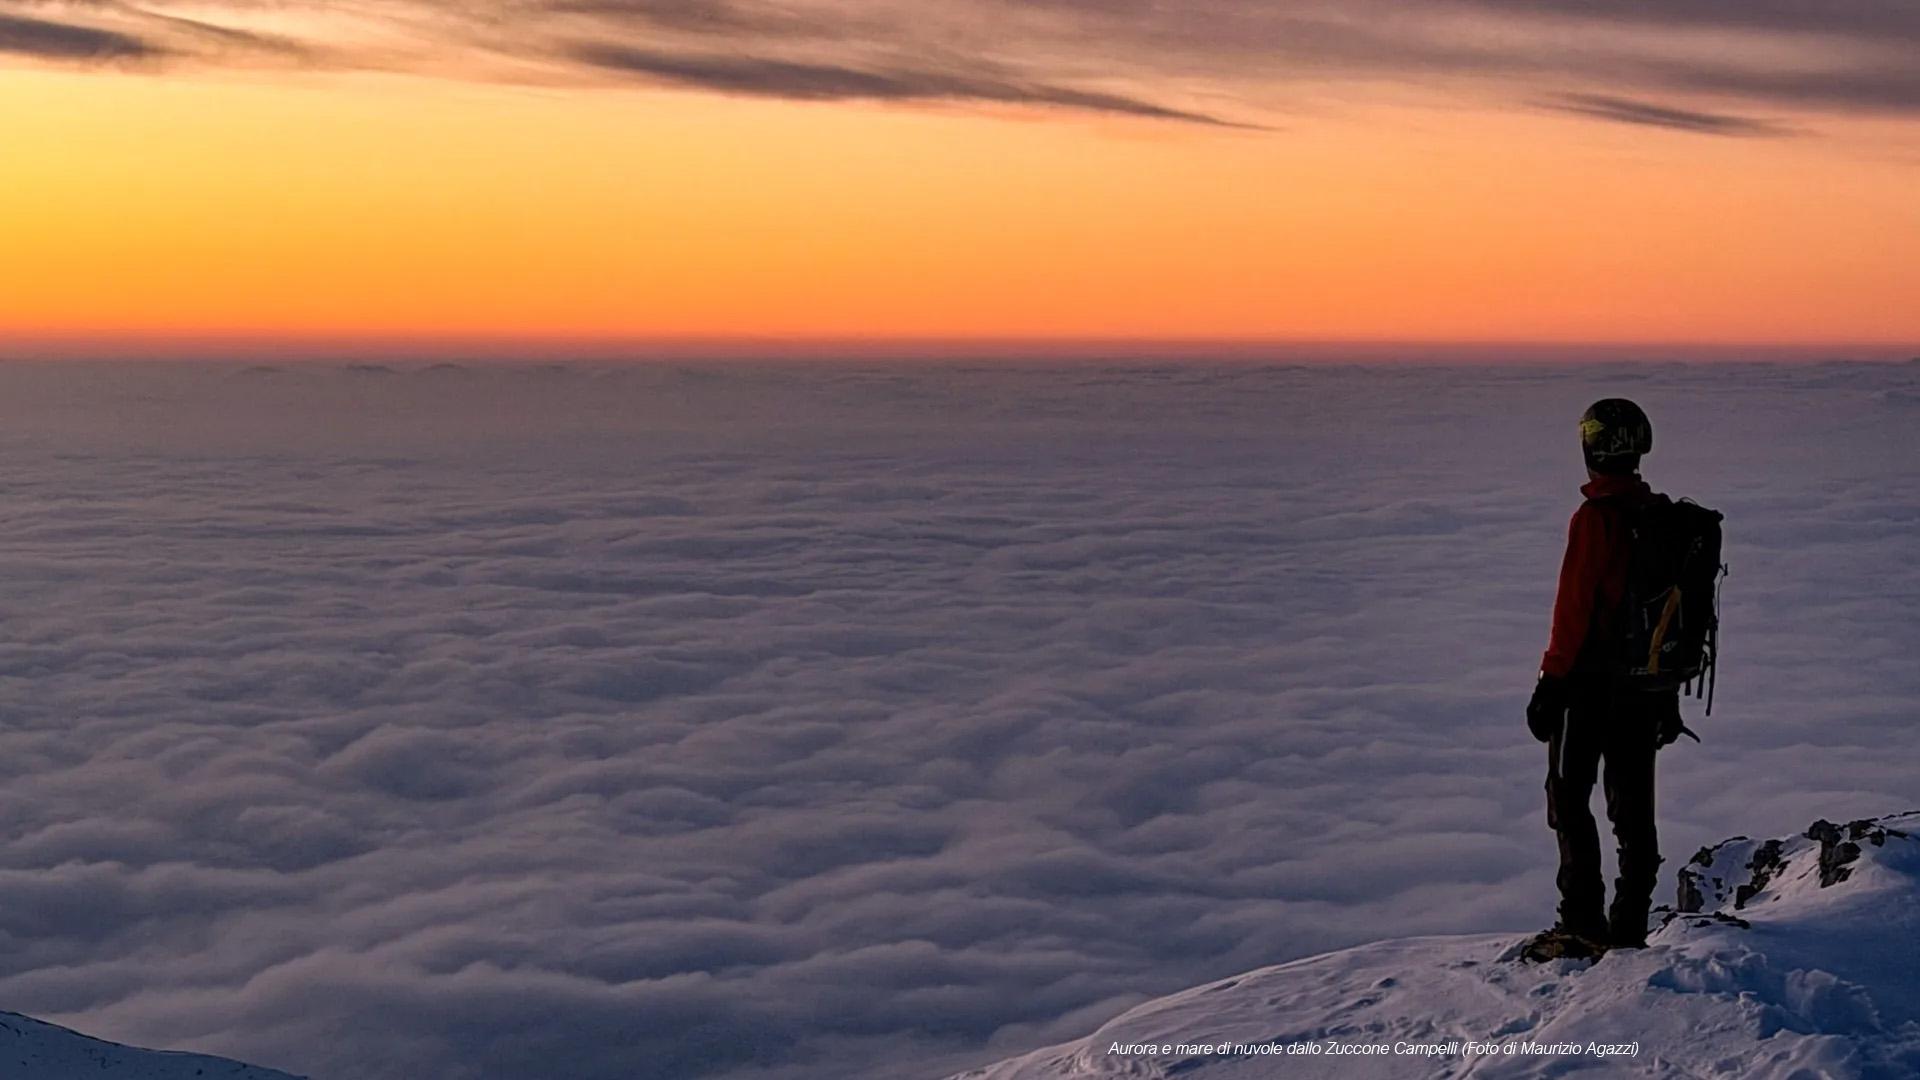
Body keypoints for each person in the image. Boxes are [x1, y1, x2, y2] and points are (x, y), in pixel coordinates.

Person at [1523, 398, 1686, 957]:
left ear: (1590, 448)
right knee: (1634, 807)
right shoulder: (1661, 517)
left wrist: (1550, 683)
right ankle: (1630, 926)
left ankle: (1582, 924)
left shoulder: (1595, 519)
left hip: (1589, 686)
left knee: (1569, 799)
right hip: (1647, 688)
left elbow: (1574, 609)